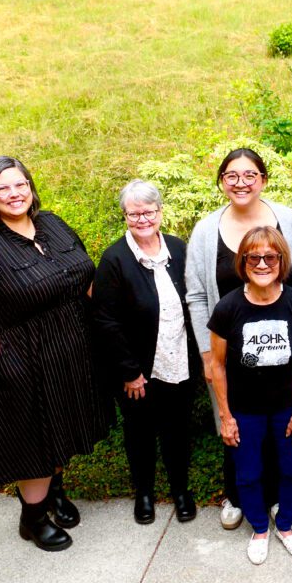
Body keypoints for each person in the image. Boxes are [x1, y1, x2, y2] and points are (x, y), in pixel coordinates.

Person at [0, 156, 108, 552]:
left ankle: (53, 493)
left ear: (31, 187)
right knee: (34, 442)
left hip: (68, 353)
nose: (14, 193)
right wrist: (4, 364)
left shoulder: (52, 224)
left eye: (20, 184)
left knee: (61, 429)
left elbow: (84, 277)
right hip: (19, 362)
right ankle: (32, 518)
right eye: (2, 187)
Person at [185, 148, 292, 530]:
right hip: (228, 355)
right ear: (222, 181)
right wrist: (208, 354)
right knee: (235, 424)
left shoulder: (289, 222)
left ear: (264, 179)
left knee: (281, 425)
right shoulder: (206, 231)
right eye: (232, 176)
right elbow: (197, 295)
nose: (241, 183)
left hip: (283, 352)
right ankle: (237, 496)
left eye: (250, 174)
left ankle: (274, 498)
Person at [208, 226, 292, 565]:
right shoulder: (228, 308)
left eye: (270, 257)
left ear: (281, 261)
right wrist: (226, 417)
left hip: (286, 409)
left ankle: (284, 526)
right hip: (245, 410)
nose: (261, 264)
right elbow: (217, 366)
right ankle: (259, 528)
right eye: (253, 257)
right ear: (242, 262)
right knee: (248, 473)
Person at [93, 179, 198, 526]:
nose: (142, 220)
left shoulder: (177, 249)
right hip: (138, 370)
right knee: (139, 433)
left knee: (177, 431)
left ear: (160, 212)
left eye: (148, 212)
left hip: (178, 360)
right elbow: (106, 321)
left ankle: (181, 491)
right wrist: (129, 371)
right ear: (125, 216)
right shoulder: (115, 259)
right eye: (134, 214)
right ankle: (144, 494)